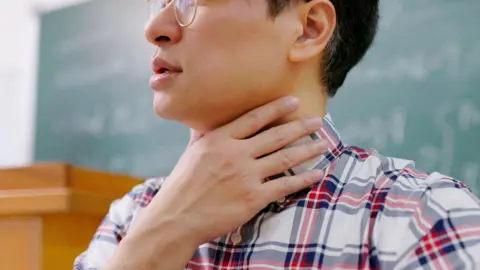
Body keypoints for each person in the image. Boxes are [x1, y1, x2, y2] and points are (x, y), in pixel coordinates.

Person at [74, 0, 480, 269]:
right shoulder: (132, 217)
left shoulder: (421, 218)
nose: (154, 28)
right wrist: (162, 234)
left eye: (191, 0)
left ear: (308, 29)